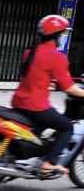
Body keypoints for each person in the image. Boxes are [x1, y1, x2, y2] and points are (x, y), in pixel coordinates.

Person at [11, 15, 84, 174]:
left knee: (46, 122)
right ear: (57, 35)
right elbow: (68, 87)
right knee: (67, 127)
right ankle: (50, 162)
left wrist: (48, 84)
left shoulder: (29, 53)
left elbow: (33, 76)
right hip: (36, 106)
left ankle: (29, 153)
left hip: (18, 102)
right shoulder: (57, 57)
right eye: (63, 34)